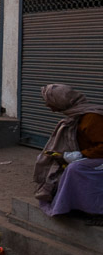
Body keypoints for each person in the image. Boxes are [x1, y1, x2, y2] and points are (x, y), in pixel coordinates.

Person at [34, 83, 103, 217]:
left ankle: (95, 211)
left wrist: (77, 156)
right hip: (94, 156)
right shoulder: (76, 116)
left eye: (49, 101)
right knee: (50, 162)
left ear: (60, 101)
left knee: (75, 168)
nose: (47, 105)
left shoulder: (92, 118)